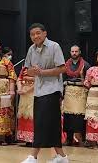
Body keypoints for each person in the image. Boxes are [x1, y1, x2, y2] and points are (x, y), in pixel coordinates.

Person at [22, 23, 68, 163]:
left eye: (38, 33)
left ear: (45, 33)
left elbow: (62, 68)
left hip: (52, 89)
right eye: (32, 34)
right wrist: (33, 71)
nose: (35, 36)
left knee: (43, 123)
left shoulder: (54, 46)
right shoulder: (31, 49)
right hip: (39, 91)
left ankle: (33, 156)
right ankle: (61, 156)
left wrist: (42, 72)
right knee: (48, 124)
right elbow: (27, 70)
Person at [62, 45, 90, 146]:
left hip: (80, 91)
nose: (74, 53)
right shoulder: (65, 65)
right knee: (68, 116)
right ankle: (69, 139)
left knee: (79, 116)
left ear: (80, 52)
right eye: (72, 51)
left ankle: (81, 139)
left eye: (76, 51)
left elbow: (88, 80)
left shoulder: (85, 65)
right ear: (70, 52)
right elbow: (62, 79)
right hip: (69, 91)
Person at [83, 50, 98, 149]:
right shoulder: (92, 69)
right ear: (96, 60)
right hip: (93, 95)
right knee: (93, 117)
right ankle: (93, 142)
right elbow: (86, 82)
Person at [17, 67, 35, 146]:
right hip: (24, 93)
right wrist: (20, 88)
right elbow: (19, 79)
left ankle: (34, 138)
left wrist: (27, 90)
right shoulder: (24, 68)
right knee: (23, 113)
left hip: (34, 93)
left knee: (32, 114)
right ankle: (26, 139)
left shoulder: (39, 66)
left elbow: (39, 81)